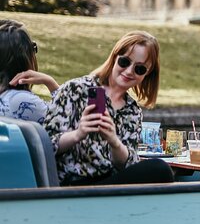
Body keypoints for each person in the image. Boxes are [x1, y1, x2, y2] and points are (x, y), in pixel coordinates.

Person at [43, 31, 174, 186]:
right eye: (125, 62)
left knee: (160, 169)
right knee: (161, 170)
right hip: (73, 182)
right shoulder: (75, 89)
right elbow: (44, 147)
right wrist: (78, 134)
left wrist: (114, 141)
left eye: (139, 69)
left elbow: (128, 165)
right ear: (114, 58)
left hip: (108, 182)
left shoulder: (132, 110)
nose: (129, 71)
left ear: (147, 75)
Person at [0, 19, 59, 123]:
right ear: (23, 57)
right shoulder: (19, 100)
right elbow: (67, 121)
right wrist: (50, 82)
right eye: (33, 48)